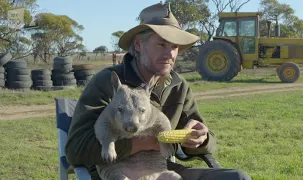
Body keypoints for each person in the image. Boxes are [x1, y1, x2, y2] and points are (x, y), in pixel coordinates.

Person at [65, 3, 252, 180]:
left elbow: (207, 141)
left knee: (237, 177)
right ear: (138, 45)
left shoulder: (178, 87)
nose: (170, 54)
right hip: (116, 172)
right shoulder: (107, 83)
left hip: (160, 169)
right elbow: (76, 150)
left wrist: (200, 140)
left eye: (174, 47)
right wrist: (141, 143)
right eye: (162, 44)